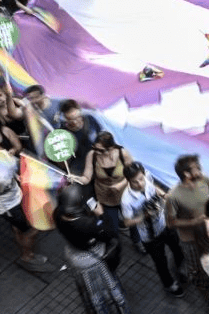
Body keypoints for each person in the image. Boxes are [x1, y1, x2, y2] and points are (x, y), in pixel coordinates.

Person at [54, 183, 128, 313]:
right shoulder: (87, 224)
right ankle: (121, 306)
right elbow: (109, 232)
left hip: (74, 255)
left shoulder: (57, 214)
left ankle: (100, 310)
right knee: (110, 284)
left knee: (92, 291)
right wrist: (101, 215)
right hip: (93, 259)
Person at [0, 162, 52, 272]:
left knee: (17, 228)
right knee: (33, 229)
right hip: (8, 208)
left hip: (18, 197)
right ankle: (27, 256)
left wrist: (16, 176)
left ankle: (23, 244)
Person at [121, 162, 184, 297]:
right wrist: (144, 216)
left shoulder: (147, 177)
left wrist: (163, 195)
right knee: (160, 262)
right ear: (128, 181)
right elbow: (127, 222)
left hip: (164, 224)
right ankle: (169, 285)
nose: (140, 183)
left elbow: (153, 186)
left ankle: (182, 269)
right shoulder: (126, 200)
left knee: (177, 248)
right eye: (135, 181)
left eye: (141, 179)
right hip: (150, 237)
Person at [165, 154, 209, 290]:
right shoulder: (173, 196)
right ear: (186, 174)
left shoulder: (205, 180)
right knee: (196, 268)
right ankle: (202, 287)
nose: (200, 169)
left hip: (208, 233)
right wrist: (193, 222)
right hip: (190, 240)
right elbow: (170, 223)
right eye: (197, 168)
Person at [76, 131, 134, 248]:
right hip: (105, 197)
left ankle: (137, 241)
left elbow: (133, 174)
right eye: (95, 148)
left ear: (111, 148)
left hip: (125, 195)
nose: (97, 152)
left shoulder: (123, 154)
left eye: (101, 150)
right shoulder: (92, 155)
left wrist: (121, 184)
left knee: (132, 221)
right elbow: (86, 178)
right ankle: (116, 245)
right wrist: (76, 178)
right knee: (112, 226)